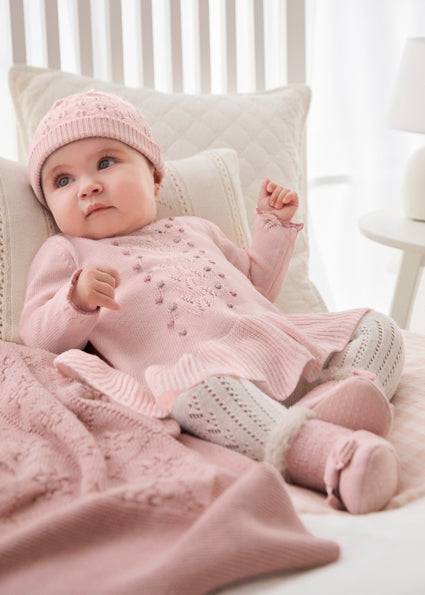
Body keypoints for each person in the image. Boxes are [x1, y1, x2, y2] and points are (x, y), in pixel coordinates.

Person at [20, 90, 404, 515]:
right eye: (62, 181)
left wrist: (272, 227)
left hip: (276, 346)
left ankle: (342, 392)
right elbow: (37, 335)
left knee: (378, 327)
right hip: (199, 371)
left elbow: (255, 283)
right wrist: (75, 300)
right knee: (203, 396)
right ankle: (327, 454)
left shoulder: (194, 228)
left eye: (106, 162)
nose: (88, 186)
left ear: (154, 178)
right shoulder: (68, 252)